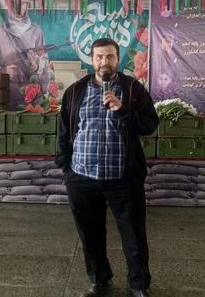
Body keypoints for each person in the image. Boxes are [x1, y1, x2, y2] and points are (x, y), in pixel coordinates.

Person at [55, 38, 159, 297]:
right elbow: (64, 130)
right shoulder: (76, 91)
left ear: (118, 59)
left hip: (123, 177)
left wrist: (122, 110)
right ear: (91, 59)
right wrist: (66, 168)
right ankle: (99, 279)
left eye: (110, 56)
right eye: (99, 57)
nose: (105, 62)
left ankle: (138, 285)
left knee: (133, 234)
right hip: (82, 176)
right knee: (89, 234)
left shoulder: (133, 89)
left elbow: (149, 125)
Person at [0, 0, 51, 109]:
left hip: (32, 91)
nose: (19, 7)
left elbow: (45, 62)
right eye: (15, 3)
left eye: (23, 3)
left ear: (28, 5)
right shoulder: (0, 31)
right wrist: (3, 70)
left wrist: (37, 66)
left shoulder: (36, 31)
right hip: (8, 91)